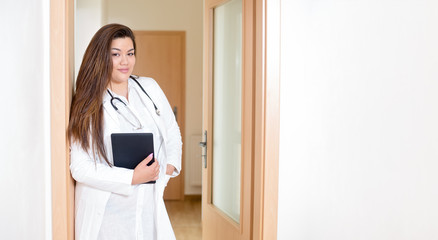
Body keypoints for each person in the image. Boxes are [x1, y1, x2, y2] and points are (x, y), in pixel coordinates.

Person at [68, 23, 182, 240]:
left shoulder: (149, 88)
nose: (125, 61)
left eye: (130, 53)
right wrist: (133, 177)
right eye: (116, 54)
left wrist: (170, 166)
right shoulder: (88, 103)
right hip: (109, 216)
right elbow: (80, 168)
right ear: (101, 57)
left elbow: (171, 129)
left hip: (148, 209)